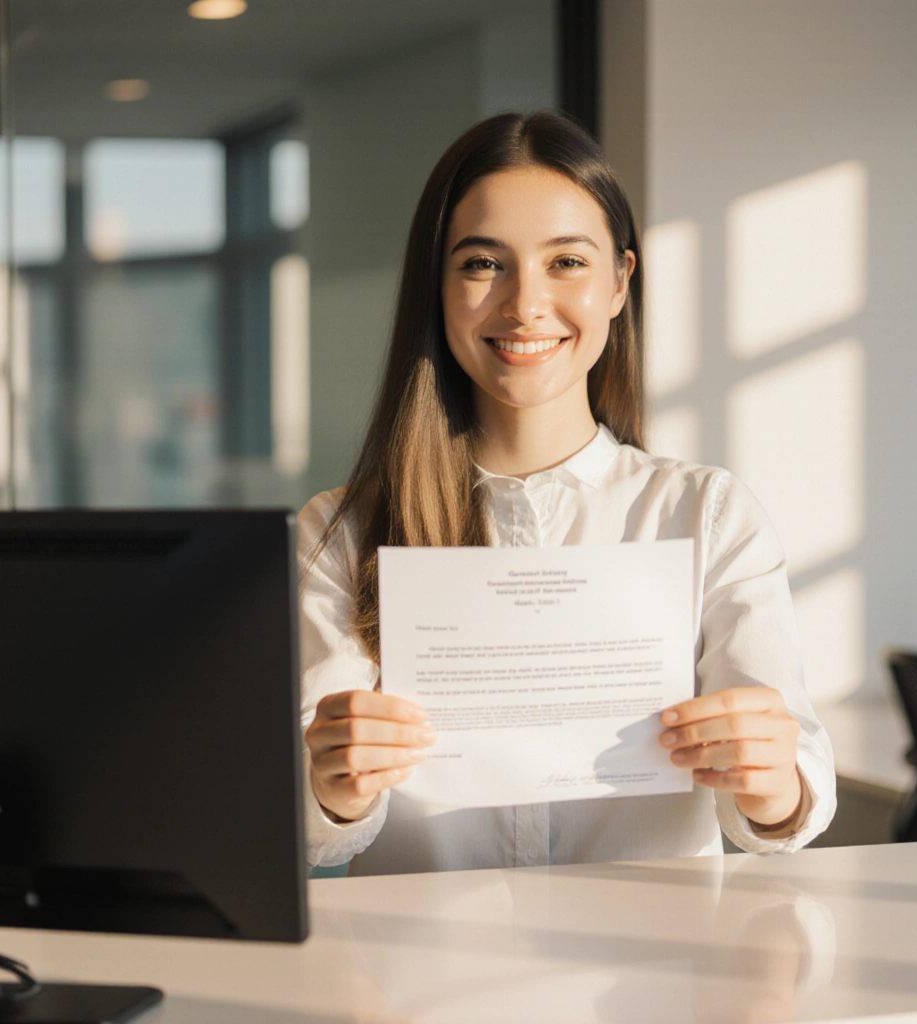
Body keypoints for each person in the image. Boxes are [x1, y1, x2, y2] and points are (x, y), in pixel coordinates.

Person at [299, 111, 836, 874]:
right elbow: (315, 826)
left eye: (567, 263)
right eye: (483, 263)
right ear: (438, 286)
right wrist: (331, 784)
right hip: (416, 980)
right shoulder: (343, 528)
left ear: (619, 282)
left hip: (655, 974)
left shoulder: (706, 516)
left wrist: (773, 780)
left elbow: (787, 809)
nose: (524, 304)